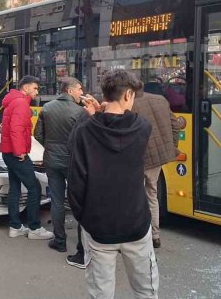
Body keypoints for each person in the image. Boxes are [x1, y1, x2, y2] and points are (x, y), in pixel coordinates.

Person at [68, 69, 158, 299]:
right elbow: (123, 125)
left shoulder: (85, 131)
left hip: (98, 227)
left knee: (101, 293)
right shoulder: (142, 128)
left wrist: (86, 219)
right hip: (136, 223)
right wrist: (101, 115)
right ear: (127, 94)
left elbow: (76, 183)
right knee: (146, 291)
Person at [34, 77, 88, 253]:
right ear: (69, 91)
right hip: (73, 162)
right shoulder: (80, 112)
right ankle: (82, 245)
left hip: (51, 160)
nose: (82, 92)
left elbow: (38, 134)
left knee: (56, 201)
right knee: (78, 202)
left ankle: (59, 240)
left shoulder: (47, 108)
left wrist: (50, 147)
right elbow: (84, 140)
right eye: (79, 89)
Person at [1, 75, 53, 240]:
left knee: (15, 188)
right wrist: (20, 152)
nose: (37, 91)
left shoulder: (13, 101)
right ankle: (34, 228)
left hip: (9, 152)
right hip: (16, 154)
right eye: (35, 88)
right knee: (34, 188)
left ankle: (15, 226)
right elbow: (16, 130)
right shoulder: (21, 103)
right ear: (26, 87)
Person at [132, 89, 181, 249]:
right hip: (157, 159)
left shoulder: (128, 103)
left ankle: (137, 235)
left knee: (134, 197)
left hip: (137, 158)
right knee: (152, 195)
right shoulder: (160, 99)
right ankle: (155, 235)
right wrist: (173, 147)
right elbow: (176, 125)